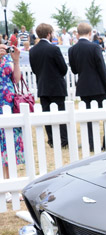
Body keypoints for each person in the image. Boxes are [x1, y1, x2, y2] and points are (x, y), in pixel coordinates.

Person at [68, 22, 106, 151]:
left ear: (77, 34)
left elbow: (75, 70)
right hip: (98, 86)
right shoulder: (94, 48)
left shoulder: (72, 49)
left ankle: (92, 144)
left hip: (83, 86)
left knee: (88, 118)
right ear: (90, 33)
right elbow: (101, 68)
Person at [29, 23, 68, 148]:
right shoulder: (54, 49)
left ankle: (51, 139)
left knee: (46, 114)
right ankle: (63, 139)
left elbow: (34, 69)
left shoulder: (33, 50)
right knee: (60, 114)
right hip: (56, 86)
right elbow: (63, 68)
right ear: (49, 34)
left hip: (42, 86)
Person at [0, 43, 24, 180]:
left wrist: (16, 60)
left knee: (10, 143)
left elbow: (16, 79)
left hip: (9, 103)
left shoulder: (7, 56)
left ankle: (10, 181)